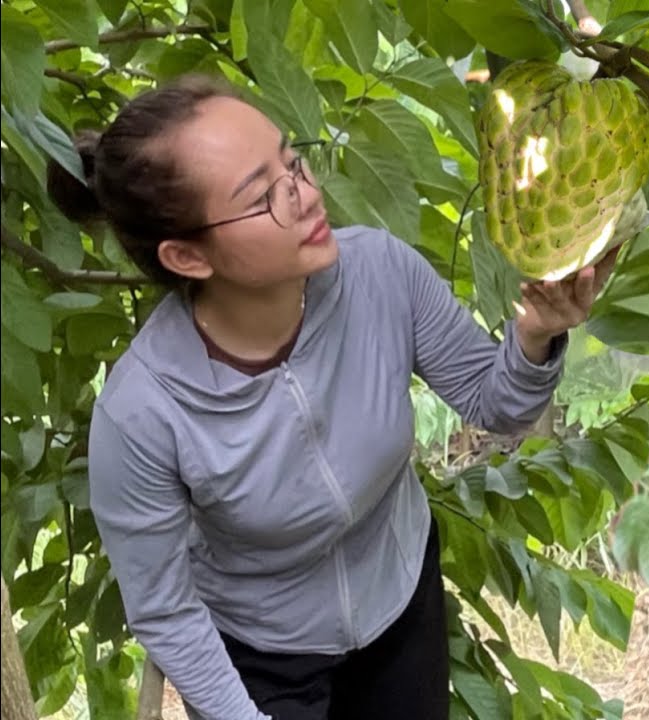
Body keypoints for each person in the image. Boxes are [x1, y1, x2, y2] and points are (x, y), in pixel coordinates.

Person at [46, 74, 617, 720]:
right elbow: (165, 610)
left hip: (400, 606)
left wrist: (536, 334)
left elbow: (497, 404)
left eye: (292, 163)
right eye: (264, 197)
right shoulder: (143, 412)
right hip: (262, 657)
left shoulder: (379, 271)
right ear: (186, 256)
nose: (306, 196)